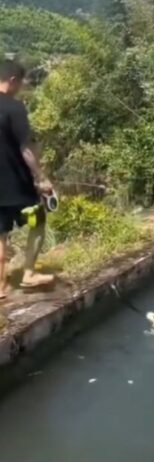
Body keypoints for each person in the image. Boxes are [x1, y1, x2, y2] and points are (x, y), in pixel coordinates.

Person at [0, 59, 54, 300]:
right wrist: (41, 179)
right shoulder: (15, 108)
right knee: (38, 221)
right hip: (17, 186)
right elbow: (26, 150)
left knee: (0, 234)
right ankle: (29, 274)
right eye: (20, 83)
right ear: (12, 80)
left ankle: (0, 287)